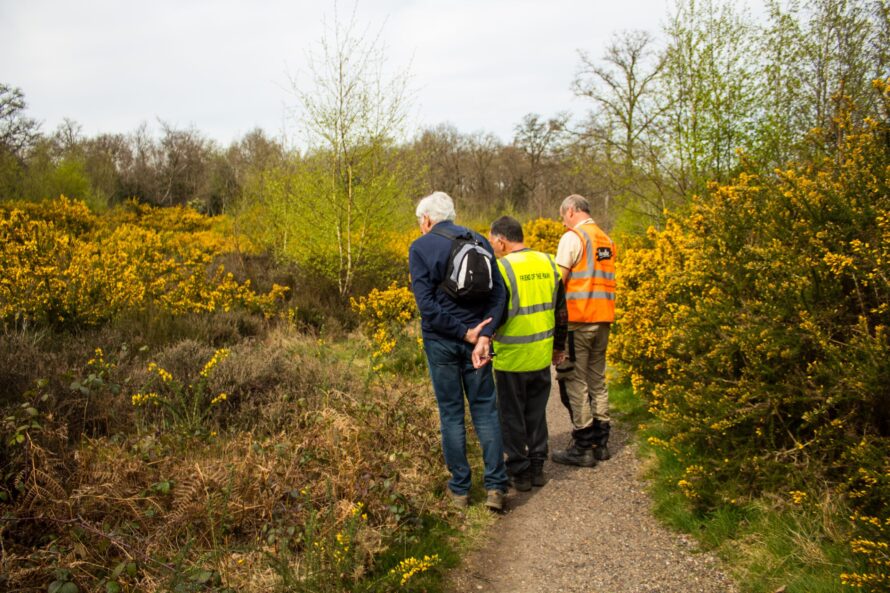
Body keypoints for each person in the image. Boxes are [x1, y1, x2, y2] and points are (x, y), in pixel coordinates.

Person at [408, 191, 510, 511]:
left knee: (452, 413)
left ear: (426, 220)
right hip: (479, 343)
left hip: (442, 342)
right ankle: (495, 488)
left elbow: (426, 305)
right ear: (450, 215)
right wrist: (485, 336)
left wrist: (463, 333)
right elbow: (500, 294)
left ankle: (460, 491)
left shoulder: (420, 247)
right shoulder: (479, 240)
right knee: (485, 410)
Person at [488, 216, 567, 491]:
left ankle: (519, 473)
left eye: (492, 240)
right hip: (540, 355)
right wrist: (559, 347)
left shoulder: (502, 268)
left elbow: (495, 312)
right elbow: (561, 310)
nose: (492, 245)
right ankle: (537, 468)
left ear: (501, 240)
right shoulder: (549, 262)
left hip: (511, 357)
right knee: (536, 413)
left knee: (511, 416)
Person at [551, 194, 617, 467]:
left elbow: (558, 281)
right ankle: (601, 443)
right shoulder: (605, 239)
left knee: (574, 382)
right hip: (603, 319)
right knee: (597, 380)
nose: (563, 222)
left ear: (571, 210)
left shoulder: (573, 238)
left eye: (563, 216)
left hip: (578, 321)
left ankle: (583, 445)